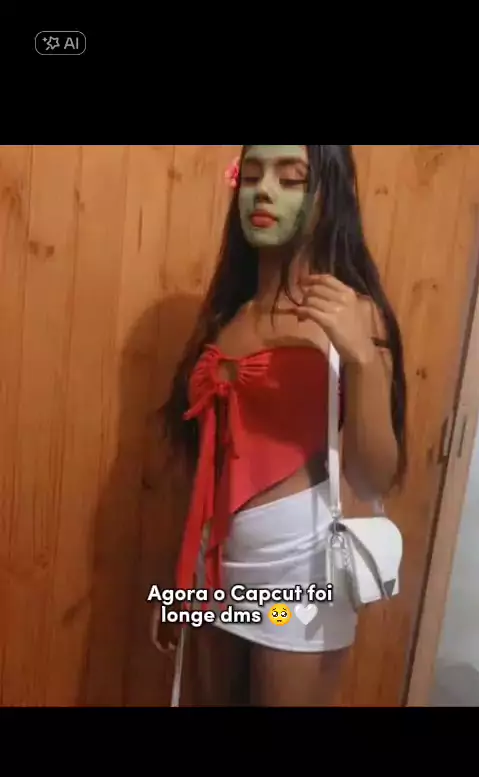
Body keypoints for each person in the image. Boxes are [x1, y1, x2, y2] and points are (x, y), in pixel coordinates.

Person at [152, 145, 407, 707]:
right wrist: (181, 578)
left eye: (291, 178)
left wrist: (364, 359)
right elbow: (207, 462)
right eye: (251, 175)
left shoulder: (355, 316)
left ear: (328, 195)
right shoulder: (228, 316)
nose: (263, 191)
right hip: (214, 563)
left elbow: (374, 477)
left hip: (301, 570)